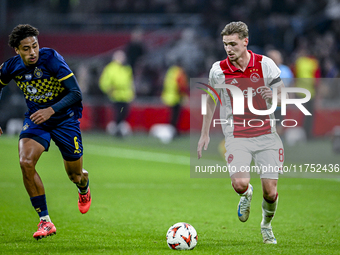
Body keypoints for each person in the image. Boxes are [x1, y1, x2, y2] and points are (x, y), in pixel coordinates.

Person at [197, 21, 286, 244]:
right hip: (236, 133)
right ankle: (246, 193)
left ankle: (266, 225)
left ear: (245, 42)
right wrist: (204, 133)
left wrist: (272, 98)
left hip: (266, 133)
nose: (229, 49)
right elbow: (211, 100)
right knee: (239, 184)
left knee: (270, 193)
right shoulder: (218, 70)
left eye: (233, 44)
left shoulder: (265, 65)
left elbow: (283, 96)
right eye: (226, 44)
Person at [0, 24, 91, 240]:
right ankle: (45, 221)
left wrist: (50, 110)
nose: (32, 52)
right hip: (36, 120)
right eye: (26, 48)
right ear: (16, 50)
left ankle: (83, 185)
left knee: (74, 175)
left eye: (35, 46)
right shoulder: (11, 67)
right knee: (25, 162)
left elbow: (76, 93)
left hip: (64, 119)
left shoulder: (51, 59)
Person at [99, 50, 135, 137]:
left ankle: (117, 128)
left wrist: (132, 93)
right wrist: (108, 90)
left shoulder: (127, 69)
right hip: (115, 95)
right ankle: (117, 130)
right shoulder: (110, 68)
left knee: (125, 113)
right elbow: (104, 82)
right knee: (119, 113)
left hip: (125, 95)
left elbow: (130, 82)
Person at [267, 49, 294, 136]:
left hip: (279, 104)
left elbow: (290, 85)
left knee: (279, 125)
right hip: (266, 103)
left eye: (276, 58)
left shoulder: (286, 71)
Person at [161, 61, 189, 136]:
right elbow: (181, 85)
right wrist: (183, 95)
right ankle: (173, 132)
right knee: (175, 117)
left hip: (168, 96)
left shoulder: (170, 71)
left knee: (170, 116)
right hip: (176, 97)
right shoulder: (179, 72)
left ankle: (170, 131)